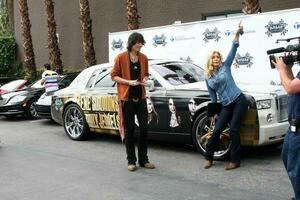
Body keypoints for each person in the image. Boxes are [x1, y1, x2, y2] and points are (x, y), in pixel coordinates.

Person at [203, 22, 249, 170]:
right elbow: (213, 97)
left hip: (239, 100)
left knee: (234, 129)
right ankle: (209, 158)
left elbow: (234, 48)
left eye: (218, 57)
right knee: (216, 131)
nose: (216, 59)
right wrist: (214, 113)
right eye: (214, 57)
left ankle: (235, 161)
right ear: (210, 60)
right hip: (225, 105)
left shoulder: (226, 66)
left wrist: (237, 33)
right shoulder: (208, 77)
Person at [111, 32, 155, 172]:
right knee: (129, 131)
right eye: (138, 42)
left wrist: (146, 81)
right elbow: (114, 76)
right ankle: (131, 161)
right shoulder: (121, 57)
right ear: (131, 43)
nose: (140, 45)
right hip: (127, 99)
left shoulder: (144, 58)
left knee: (144, 128)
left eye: (141, 43)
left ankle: (144, 160)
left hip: (141, 98)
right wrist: (128, 82)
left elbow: (145, 75)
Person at [272, 57, 300, 200]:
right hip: (293, 129)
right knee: (287, 159)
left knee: (296, 171)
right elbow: (294, 87)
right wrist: (288, 69)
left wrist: (281, 69)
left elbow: (290, 87)